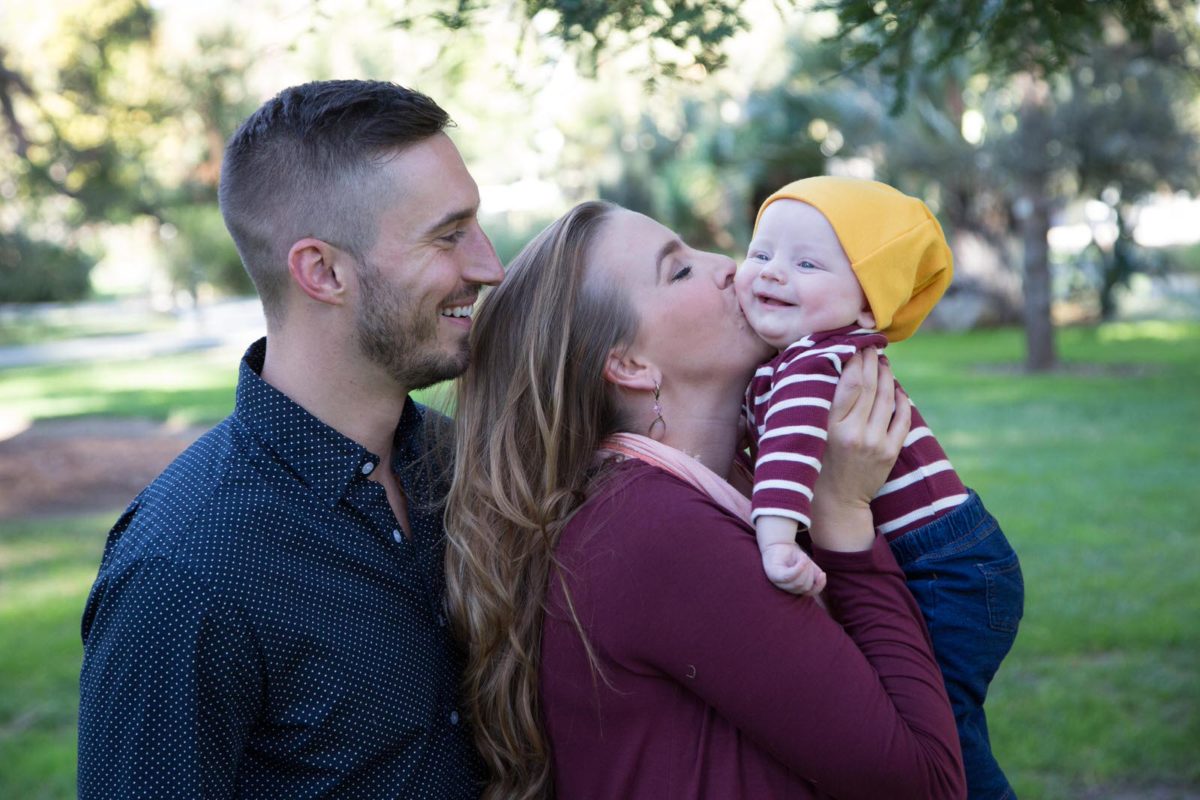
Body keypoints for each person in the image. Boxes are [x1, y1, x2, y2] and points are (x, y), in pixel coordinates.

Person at [444, 200, 968, 799]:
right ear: (630, 364)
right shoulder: (656, 534)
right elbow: (926, 784)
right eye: (680, 270)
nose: (727, 264)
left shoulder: (715, 492)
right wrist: (843, 516)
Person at [77, 80, 503, 798]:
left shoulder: (464, 467)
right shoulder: (183, 572)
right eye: (448, 235)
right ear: (322, 271)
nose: (488, 266)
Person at [736, 176, 1023, 799]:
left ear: (869, 306)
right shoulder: (796, 357)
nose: (773, 273)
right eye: (760, 253)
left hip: (945, 569)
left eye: (807, 263)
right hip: (956, 557)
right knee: (940, 724)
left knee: (938, 735)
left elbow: (789, 449)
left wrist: (775, 536)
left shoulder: (816, 360)